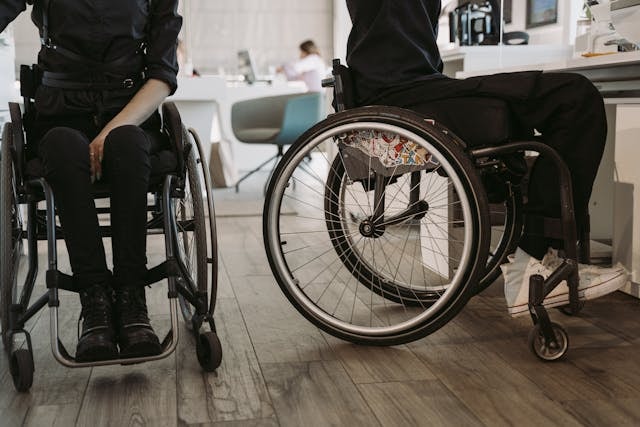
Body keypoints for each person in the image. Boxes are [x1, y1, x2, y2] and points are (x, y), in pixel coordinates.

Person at [345, 0, 628, 314]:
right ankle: (534, 259)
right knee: (575, 99)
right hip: (404, 90)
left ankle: (540, 255)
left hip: (406, 85)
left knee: (572, 96)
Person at [0, 0, 182, 360]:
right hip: (59, 113)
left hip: (130, 114)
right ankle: (94, 298)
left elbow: (162, 76)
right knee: (64, 147)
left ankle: (132, 298)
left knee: (126, 143)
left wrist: (108, 133)